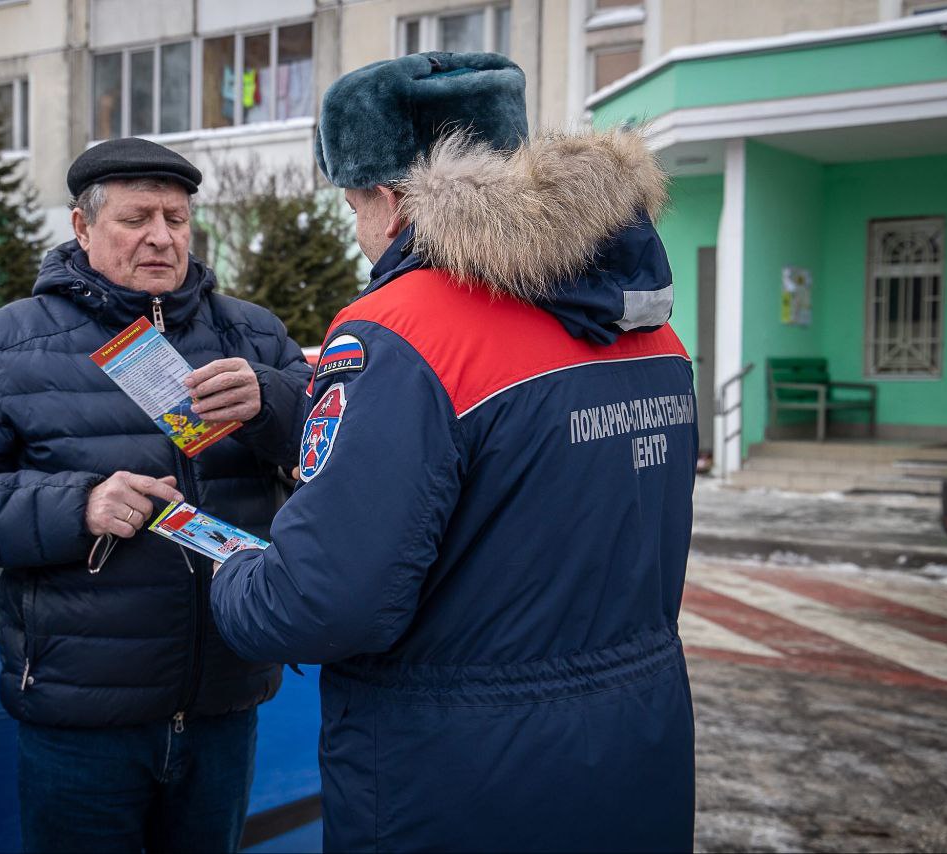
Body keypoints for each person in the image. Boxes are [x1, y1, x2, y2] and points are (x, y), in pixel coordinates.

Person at [210, 52, 697, 852]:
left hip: (456, 775)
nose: (360, 231)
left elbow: (324, 601)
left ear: (392, 199)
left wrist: (232, 575)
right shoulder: (648, 328)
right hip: (634, 744)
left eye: (354, 204)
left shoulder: (401, 329)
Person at [0, 137, 312, 853]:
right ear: (82, 227)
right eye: (136, 218)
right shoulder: (6, 344)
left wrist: (274, 401)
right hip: (80, 720)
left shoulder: (251, 333)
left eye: (177, 219)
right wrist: (76, 505)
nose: (160, 236)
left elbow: (338, 463)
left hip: (224, 703)